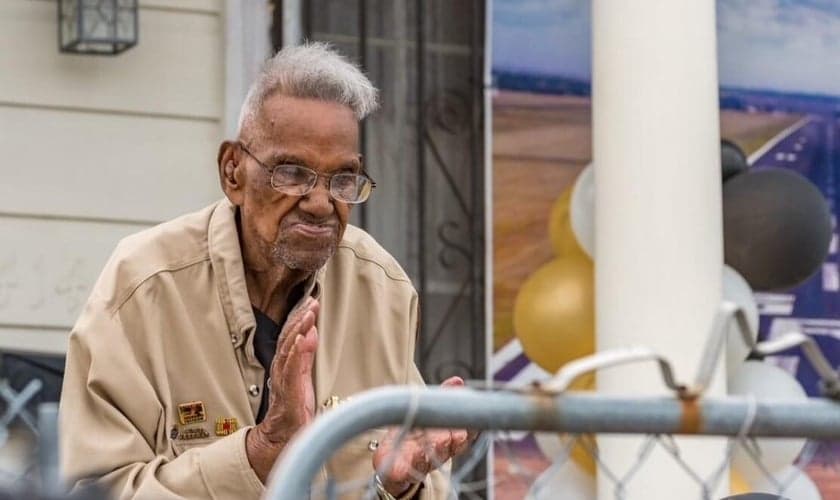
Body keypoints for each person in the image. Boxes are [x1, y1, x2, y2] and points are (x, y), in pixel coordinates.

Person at [59, 42, 470, 500]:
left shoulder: (382, 289)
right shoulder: (143, 286)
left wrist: (399, 487)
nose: (320, 203)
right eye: (292, 173)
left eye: (343, 179)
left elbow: (421, 480)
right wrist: (261, 452)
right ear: (232, 172)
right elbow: (92, 489)